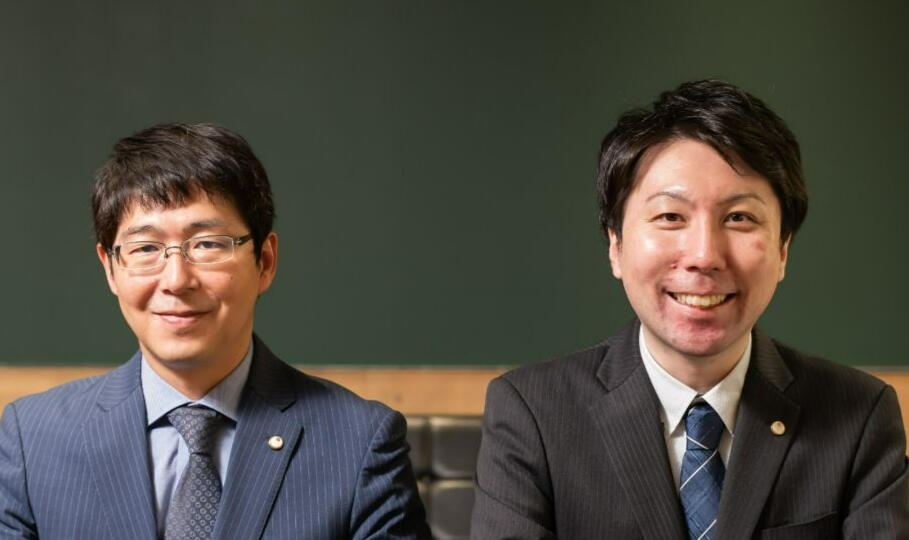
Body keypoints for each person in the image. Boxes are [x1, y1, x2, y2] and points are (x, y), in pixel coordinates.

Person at [470, 80, 908, 539]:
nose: (704, 254)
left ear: (783, 250)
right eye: (670, 217)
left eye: (739, 218)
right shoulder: (532, 414)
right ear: (615, 245)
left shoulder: (858, 415)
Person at [0, 123, 430, 539]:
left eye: (207, 244)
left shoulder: (359, 443)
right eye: (145, 248)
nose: (176, 279)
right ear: (110, 269)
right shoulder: (33, 439)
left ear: (265, 260)